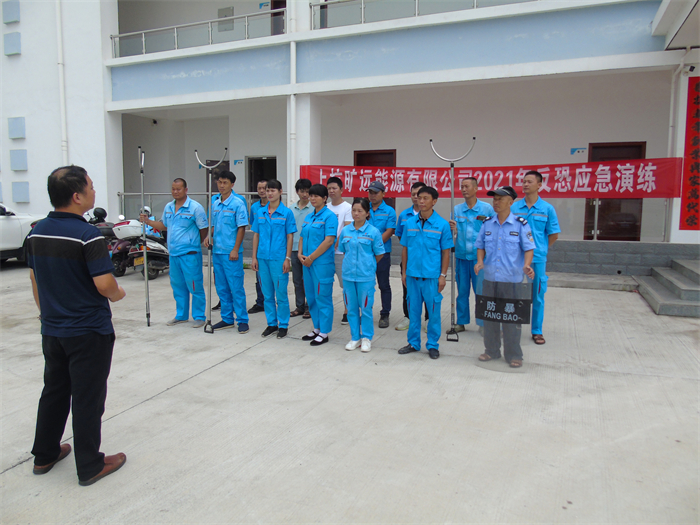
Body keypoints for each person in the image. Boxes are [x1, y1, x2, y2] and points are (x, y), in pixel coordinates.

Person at [27, 165, 127, 486]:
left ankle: (44, 454)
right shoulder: (87, 235)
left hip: (53, 329)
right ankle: (89, 464)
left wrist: (46, 314)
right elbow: (104, 284)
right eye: (91, 186)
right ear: (76, 196)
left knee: (54, 391)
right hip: (88, 331)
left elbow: (34, 278)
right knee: (87, 398)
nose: (94, 191)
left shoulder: (36, 231)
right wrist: (118, 293)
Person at [475, 186, 536, 368]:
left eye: (500, 199)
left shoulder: (520, 224)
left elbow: (529, 248)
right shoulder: (487, 224)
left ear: (510, 202)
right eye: (494, 199)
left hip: (512, 281)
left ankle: (514, 354)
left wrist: (527, 265)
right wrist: (480, 261)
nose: (496, 202)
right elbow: (480, 245)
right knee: (490, 317)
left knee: (512, 319)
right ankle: (491, 350)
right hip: (490, 279)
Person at [141, 178, 208, 327]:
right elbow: (164, 225)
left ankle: (199, 316)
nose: (175, 192)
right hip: (173, 254)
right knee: (178, 286)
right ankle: (181, 315)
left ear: (186, 190)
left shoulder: (195, 208)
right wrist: (148, 221)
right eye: (173, 189)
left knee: (194, 285)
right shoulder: (169, 207)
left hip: (190, 254)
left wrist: (194, 242)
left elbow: (204, 229)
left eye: (178, 189)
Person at [398, 186, 453, 360]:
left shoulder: (442, 225)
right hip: (412, 276)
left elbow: (446, 252)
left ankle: (433, 345)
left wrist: (443, 276)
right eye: (419, 197)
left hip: (432, 278)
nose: (421, 201)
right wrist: (404, 273)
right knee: (413, 313)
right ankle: (413, 343)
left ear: (434, 201)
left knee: (433, 314)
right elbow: (405, 249)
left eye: (425, 198)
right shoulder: (410, 223)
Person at [511, 170, 560, 345]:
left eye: (529, 181)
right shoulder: (514, 208)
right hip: (516, 259)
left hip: (538, 259)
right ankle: (512, 327)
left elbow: (553, 234)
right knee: (514, 294)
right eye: (524, 181)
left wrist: (542, 249)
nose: (525, 184)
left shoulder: (547, 209)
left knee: (538, 295)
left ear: (539, 185)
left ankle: (537, 331)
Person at [338, 198, 385, 352]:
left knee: (365, 308)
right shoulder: (345, 231)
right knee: (351, 308)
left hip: (366, 277)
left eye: (360, 211)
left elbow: (379, 254)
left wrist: (368, 265)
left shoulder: (373, 232)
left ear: (367, 213)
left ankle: (366, 338)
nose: (356, 213)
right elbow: (343, 250)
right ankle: (355, 337)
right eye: (354, 210)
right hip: (348, 276)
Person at [205, 171, 250, 333]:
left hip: (231, 253)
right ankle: (227, 318)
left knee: (236, 287)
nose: (221, 185)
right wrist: (208, 236)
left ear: (232, 184)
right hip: (217, 251)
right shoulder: (215, 203)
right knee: (221, 287)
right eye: (219, 182)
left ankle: (242, 320)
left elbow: (241, 228)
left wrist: (236, 249)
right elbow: (213, 225)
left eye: (225, 182)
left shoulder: (238, 203)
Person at [251, 180, 297, 339]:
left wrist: (287, 258)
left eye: (272, 190)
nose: (269, 193)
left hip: (279, 259)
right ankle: (271, 323)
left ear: (280, 192)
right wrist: (254, 257)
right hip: (262, 258)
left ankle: (283, 325)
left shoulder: (286, 213)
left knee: (281, 294)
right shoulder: (260, 212)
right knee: (267, 294)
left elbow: (290, 236)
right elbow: (256, 235)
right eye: (267, 190)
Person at [449, 177, 494, 333]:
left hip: (479, 259)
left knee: (481, 291)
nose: (463, 189)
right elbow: (453, 232)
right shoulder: (456, 210)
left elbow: (492, 231)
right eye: (462, 186)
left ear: (476, 188)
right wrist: (453, 229)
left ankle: (483, 323)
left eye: (467, 186)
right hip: (461, 257)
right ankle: (461, 322)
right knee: (462, 291)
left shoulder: (486, 209)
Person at [298, 184, 338, 346]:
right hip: (307, 263)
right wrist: (300, 254)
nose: (312, 198)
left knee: (323, 296)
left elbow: (329, 241)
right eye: (311, 195)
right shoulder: (309, 216)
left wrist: (311, 257)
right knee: (311, 296)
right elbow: (302, 236)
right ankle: (317, 327)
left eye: (316, 196)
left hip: (321, 263)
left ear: (325, 198)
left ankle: (324, 332)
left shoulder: (329, 216)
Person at [394, 181, 427, 331]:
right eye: (413, 194)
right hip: (409, 258)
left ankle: (428, 319)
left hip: (427, 260)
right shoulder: (404, 215)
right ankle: (408, 317)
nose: (416, 197)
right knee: (407, 290)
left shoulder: (431, 215)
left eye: (419, 195)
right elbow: (400, 236)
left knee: (427, 291)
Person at [367, 181, 397, 329]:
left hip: (382, 254)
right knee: (365, 284)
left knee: (383, 284)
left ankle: (385, 313)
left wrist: (375, 246)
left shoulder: (389, 211)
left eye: (376, 193)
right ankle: (366, 311)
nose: (372, 195)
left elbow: (389, 231)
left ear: (383, 194)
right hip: (365, 254)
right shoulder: (364, 208)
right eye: (370, 192)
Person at [326, 176, 353, 324]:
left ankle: (347, 310)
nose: (331, 191)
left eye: (334, 188)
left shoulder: (347, 207)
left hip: (340, 253)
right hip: (325, 253)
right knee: (325, 283)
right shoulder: (325, 207)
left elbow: (346, 229)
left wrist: (333, 243)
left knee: (345, 284)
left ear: (341, 190)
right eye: (329, 188)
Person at [290, 178, 313, 319]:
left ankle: (310, 306)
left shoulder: (313, 209)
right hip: (293, 248)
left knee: (308, 280)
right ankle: (300, 306)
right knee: (297, 280)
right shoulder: (291, 209)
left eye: (307, 191)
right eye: (302, 191)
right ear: (297, 192)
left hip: (308, 249)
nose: (305, 194)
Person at [248, 180, 268, 315]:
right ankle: (260, 302)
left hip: (272, 246)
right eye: (259, 188)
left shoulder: (276, 206)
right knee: (259, 276)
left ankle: (270, 300)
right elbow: (253, 226)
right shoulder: (254, 207)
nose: (261, 191)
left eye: (264, 188)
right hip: (259, 246)